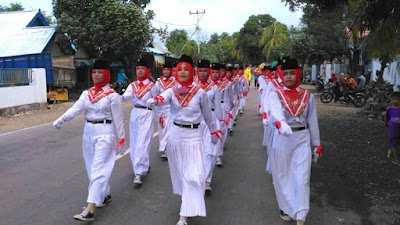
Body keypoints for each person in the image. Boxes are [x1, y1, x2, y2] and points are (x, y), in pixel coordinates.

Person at [147, 54, 220, 225]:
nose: (182, 72)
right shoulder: (171, 91)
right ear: (175, 72)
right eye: (179, 69)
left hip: (194, 138)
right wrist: (155, 100)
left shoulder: (200, 93)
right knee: (182, 176)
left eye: (186, 69)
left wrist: (213, 132)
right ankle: (187, 205)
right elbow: (162, 98)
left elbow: (208, 116)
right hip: (175, 138)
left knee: (193, 175)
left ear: (191, 72)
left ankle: (183, 216)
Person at [52, 60, 127, 221]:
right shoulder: (87, 94)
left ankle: (90, 209)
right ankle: (104, 195)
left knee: (99, 169)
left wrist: (121, 139)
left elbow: (118, 120)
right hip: (88, 133)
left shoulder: (113, 96)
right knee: (91, 168)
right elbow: (76, 108)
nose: (96, 75)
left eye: (100, 72)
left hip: (105, 133)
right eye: (94, 72)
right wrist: (62, 119)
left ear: (106, 74)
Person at [268, 58, 322, 225]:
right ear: (281, 76)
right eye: (285, 74)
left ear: (298, 74)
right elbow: (276, 111)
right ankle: (287, 206)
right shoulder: (276, 94)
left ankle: (300, 216)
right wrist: (281, 123)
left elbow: (312, 120)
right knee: (282, 176)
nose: (289, 76)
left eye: (292, 73)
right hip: (282, 138)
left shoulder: (308, 96)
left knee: (302, 177)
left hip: (302, 139)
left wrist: (317, 143)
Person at [122, 56, 158, 185]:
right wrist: (119, 97)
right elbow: (126, 96)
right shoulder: (133, 85)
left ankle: (139, 172)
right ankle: (141, 166)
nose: (140, 71)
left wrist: (161, 116)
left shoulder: (152, 86)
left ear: (147, 70)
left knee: (143, 141)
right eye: (138, 69)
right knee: (136, 141)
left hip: (147, 113)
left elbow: (158, 100)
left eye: (143, 69)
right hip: (135, 113)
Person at [153, 61, 176, 159]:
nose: (166, 71)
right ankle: (165, 148)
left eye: (168, 69)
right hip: (161, 109)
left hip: (172, 109)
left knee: (170, 128)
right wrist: (158, 108)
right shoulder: (159, 82)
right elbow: (155, 96)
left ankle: (169, 149)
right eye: (165, 69)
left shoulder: (175, 81)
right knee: (162, 129)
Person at [385, 92, 400, 164]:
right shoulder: (389, 109)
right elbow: (387, 118)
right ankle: (396, 159)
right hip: (392, 129)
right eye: (393, 99)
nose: (395, 101)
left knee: (397, 142)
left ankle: (391, 151)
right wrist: (386, 123)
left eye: (396, 99)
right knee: (393, 142)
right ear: (391, 100)